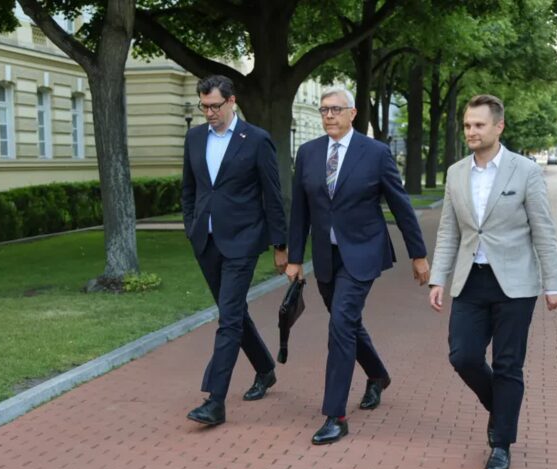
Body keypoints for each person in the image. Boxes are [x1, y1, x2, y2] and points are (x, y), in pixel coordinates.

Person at [428, 94, 557, 469]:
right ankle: (503, 409)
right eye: (467, 125)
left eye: (479, 125)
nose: (471, 131)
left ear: (498, 127)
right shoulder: (456, 173)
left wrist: (554, 283)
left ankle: (500, 443)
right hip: (470, 280)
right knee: (463, 356)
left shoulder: (525, 171)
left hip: (515, 285)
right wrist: (438, 277)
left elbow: (543, 229)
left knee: (507, 364)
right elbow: (449, 231)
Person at [286, 88, 430, 445]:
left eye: (336, 109)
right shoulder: (308, 153)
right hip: (326, 256)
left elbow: (400, 205)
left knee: (340, 325)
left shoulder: (376, 153)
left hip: (363, 252)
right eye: (324, 110)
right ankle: (378, 374)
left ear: (352, 113)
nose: (328, 115)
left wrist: (418, 254)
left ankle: (335, 416)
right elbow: (300, 210)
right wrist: (294, 258)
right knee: (347, 323)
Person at [182, 75, 287, 426]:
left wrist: (280, 245)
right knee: (235, 313)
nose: (209, 113)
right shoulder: (195, 137)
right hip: (206, 241)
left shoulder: (255, 139)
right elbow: (189, 189)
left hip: (243, 242)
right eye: (204, 106)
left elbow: (272, 195)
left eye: (215, 106)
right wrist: (190, 226)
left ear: (231, 101)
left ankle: (215, 400)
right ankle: (265, 368)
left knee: (227, 319)